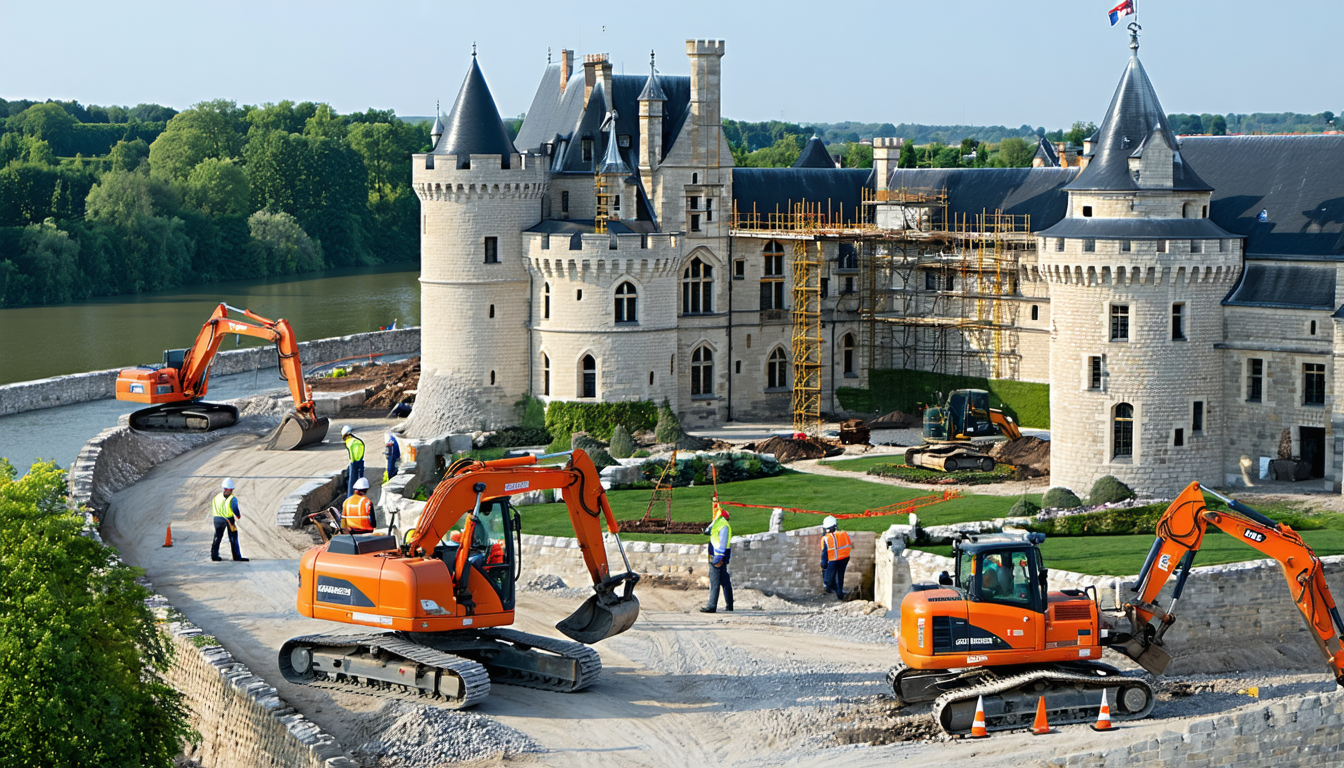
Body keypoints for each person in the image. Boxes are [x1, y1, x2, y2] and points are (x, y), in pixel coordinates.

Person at [700, 500, 733, 613]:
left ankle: (711, 606)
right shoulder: (718, 524)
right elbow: (707, 531)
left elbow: (722, 542)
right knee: (724, 581)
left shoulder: (722, 525)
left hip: (718, 556)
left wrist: (719, 556)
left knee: (714, 582)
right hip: (719, 556)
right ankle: (730, 605)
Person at [210, 478, 249, 562]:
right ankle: (236, 556)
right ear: (232, 489)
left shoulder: (217, 497)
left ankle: (214, 556)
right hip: (229, 520)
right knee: (233, 536)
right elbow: (235, 509)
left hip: (217, 519)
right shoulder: (232, 498)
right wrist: (238, 516)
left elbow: (213, 506)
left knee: (217, 536)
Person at [820, 516, 853, 600]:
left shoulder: (826, 538)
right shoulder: (843, 534)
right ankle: (839, 593)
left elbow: (825, 554)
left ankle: (828, 588)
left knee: (828, 575)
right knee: (840, 575)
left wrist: (823, 565)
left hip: (833, 559)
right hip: (844, 558)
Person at [342, 425, 365, 497]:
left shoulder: (351, 442)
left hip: (354, 462)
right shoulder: (355, 442)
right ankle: (357, 495)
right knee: (357, 480)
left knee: (352, 481)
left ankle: (352, 495)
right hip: (357, 462)